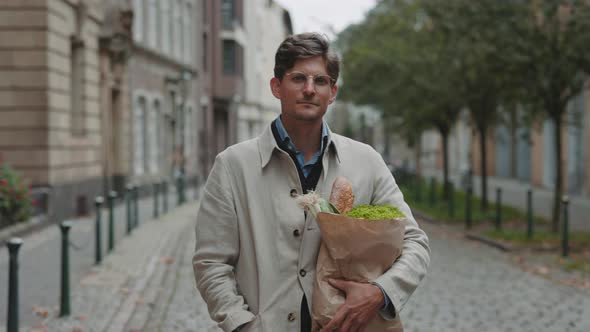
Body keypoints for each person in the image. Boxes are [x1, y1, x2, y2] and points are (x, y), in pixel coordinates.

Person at [193, 32, 430, 332]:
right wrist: (242, 325)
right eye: (298, 79)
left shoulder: (366, 161)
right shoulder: (232, 166)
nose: (309, 89)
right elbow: (211, 264)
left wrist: (380, 293)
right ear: (276, 87)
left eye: (320, 81)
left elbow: (415, 242)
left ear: (332, 92)